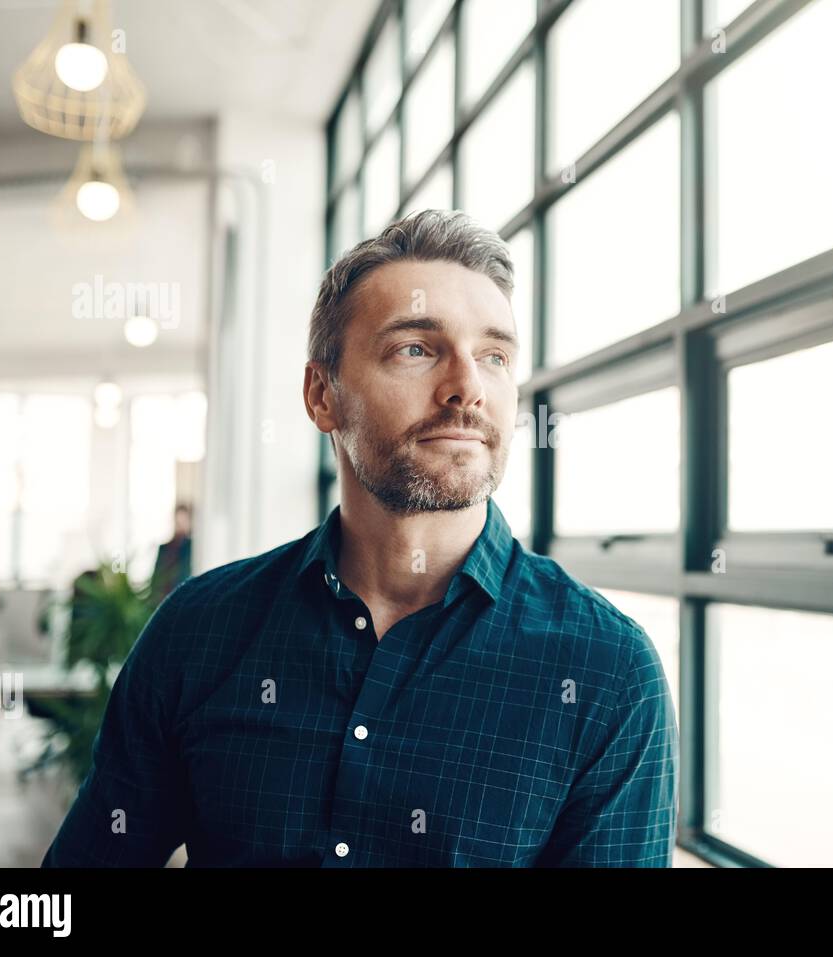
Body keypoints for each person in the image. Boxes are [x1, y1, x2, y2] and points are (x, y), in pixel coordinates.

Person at [41, 209, 678, 867]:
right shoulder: (197, 632)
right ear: (323, 395)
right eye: (416, 348)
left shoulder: (606, 672)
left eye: (494, 356)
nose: (468, 389)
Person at [150, 504, 193, 602]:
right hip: (163, 597)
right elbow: (157, 575)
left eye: (183, 522)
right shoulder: (164, 548)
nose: (180, 526)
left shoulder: (192, 547)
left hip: (184, 596)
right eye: (178, 522)